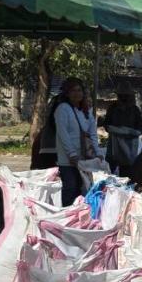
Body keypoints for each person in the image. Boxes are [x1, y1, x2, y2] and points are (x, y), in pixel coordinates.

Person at [52, 77, 102, 206]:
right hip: (68, 160)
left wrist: (97, 152)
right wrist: (72, 154)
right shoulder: (62, 109)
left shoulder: (85, 111)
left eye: (79, 90)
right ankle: (67, 214)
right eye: (73, 90)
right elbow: (63, 134)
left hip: (84, 158)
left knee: (81, 189)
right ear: (67, 93)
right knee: (70, 187)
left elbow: (92, 134)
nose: (77, 93)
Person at [101, 89, 142, 179]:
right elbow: (106, 124)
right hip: (114, 145)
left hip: (129, 147)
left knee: (126, 174)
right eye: (121, 95)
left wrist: (128, 132)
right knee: (109, 171)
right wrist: (116, 130)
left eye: (126, 96)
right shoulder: (113, 108)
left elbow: (139, 127)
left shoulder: (135, 110)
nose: (124, 98)